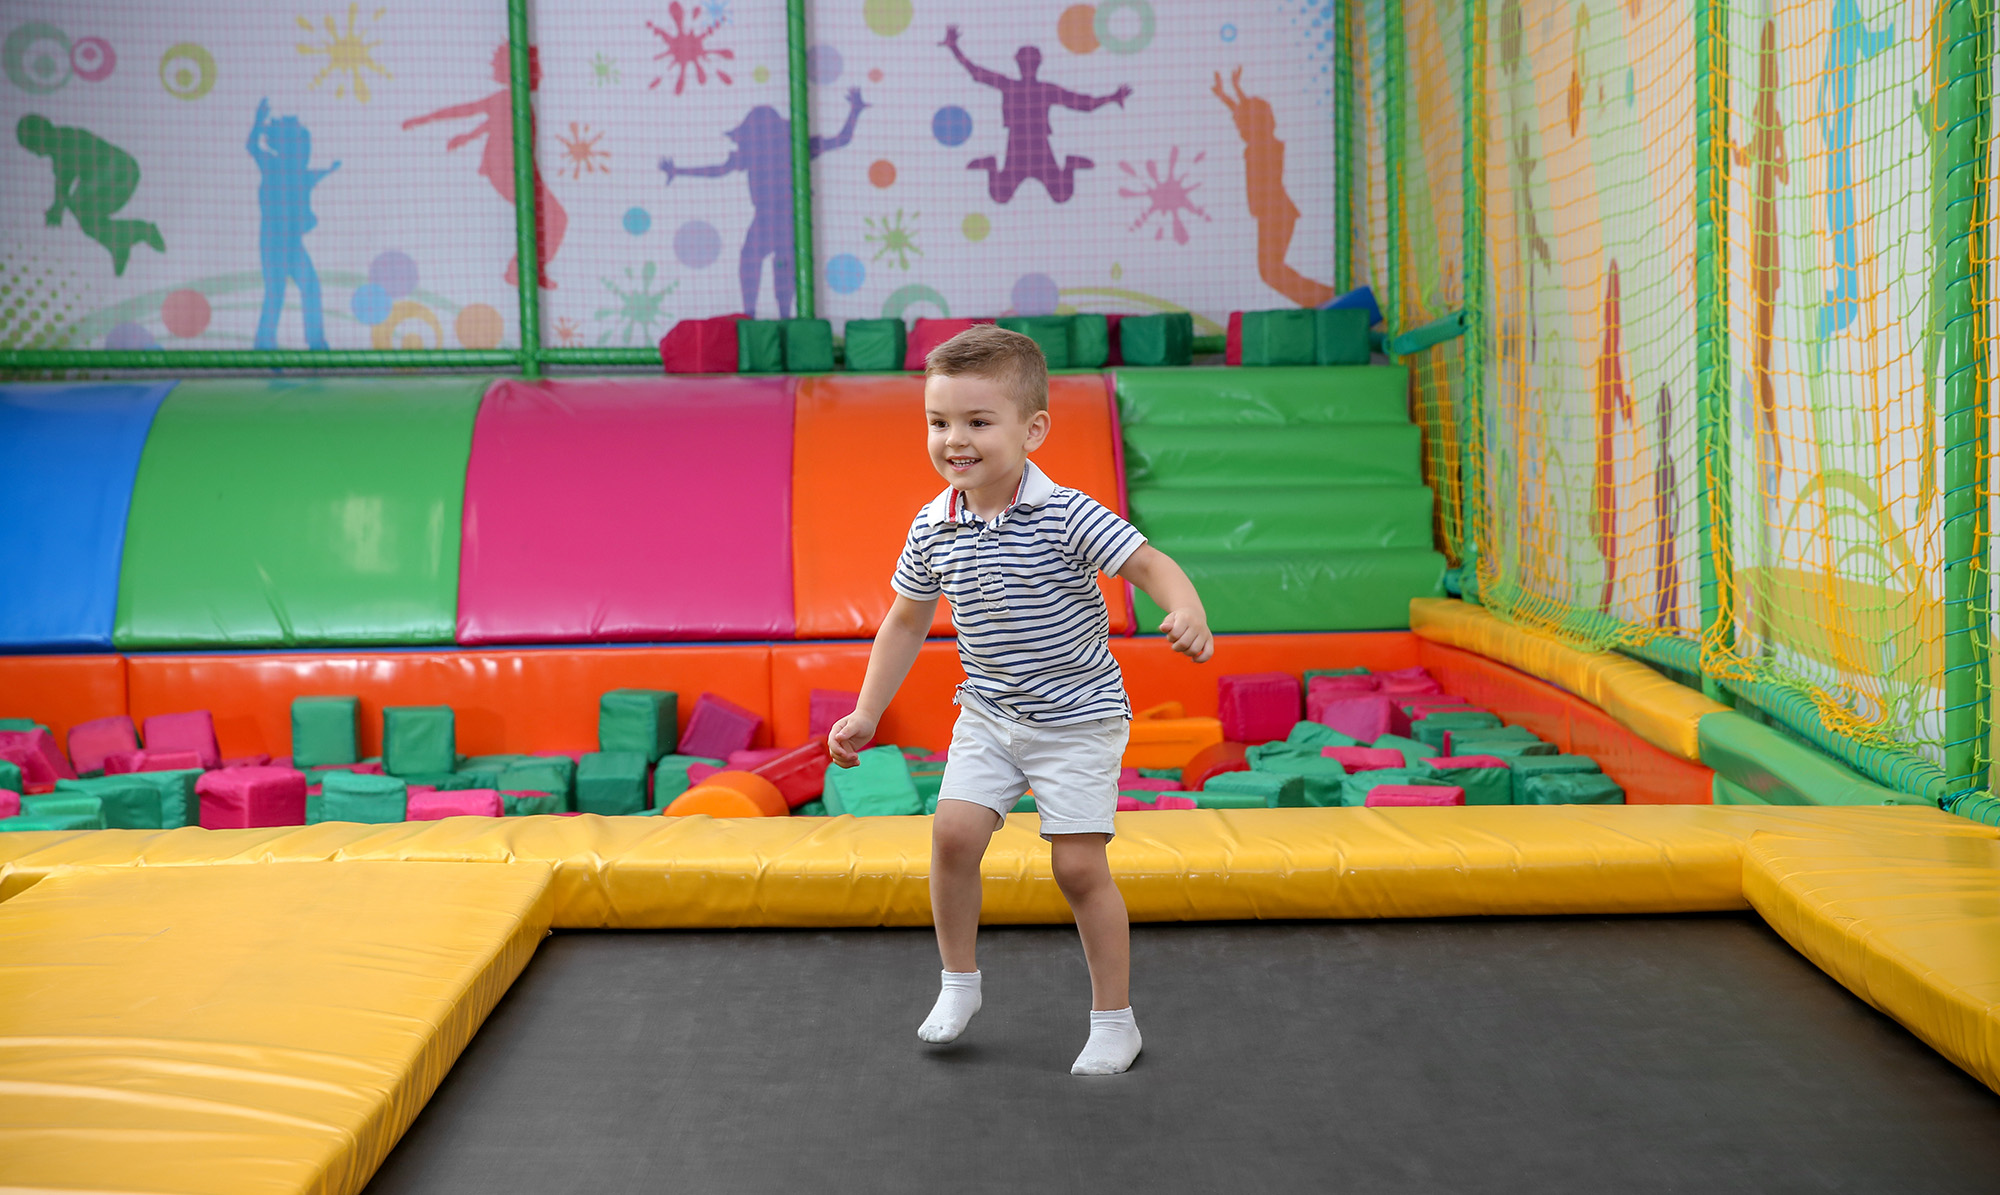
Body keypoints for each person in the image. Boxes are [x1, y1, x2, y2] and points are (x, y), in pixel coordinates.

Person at [825, 325, 1213, 1076]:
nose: (954, 440)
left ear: (1032, 429)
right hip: (991, 715)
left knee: (1076, 868)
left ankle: (1115, 1020)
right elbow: (905, 619)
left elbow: (1150, 562)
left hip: (1078, 720)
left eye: (977, 421)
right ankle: (958, 983)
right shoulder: (934, 525)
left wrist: (1186, 608)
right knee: (952, 835)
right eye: (939, 422)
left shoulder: (1068, 514)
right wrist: (868, 711)